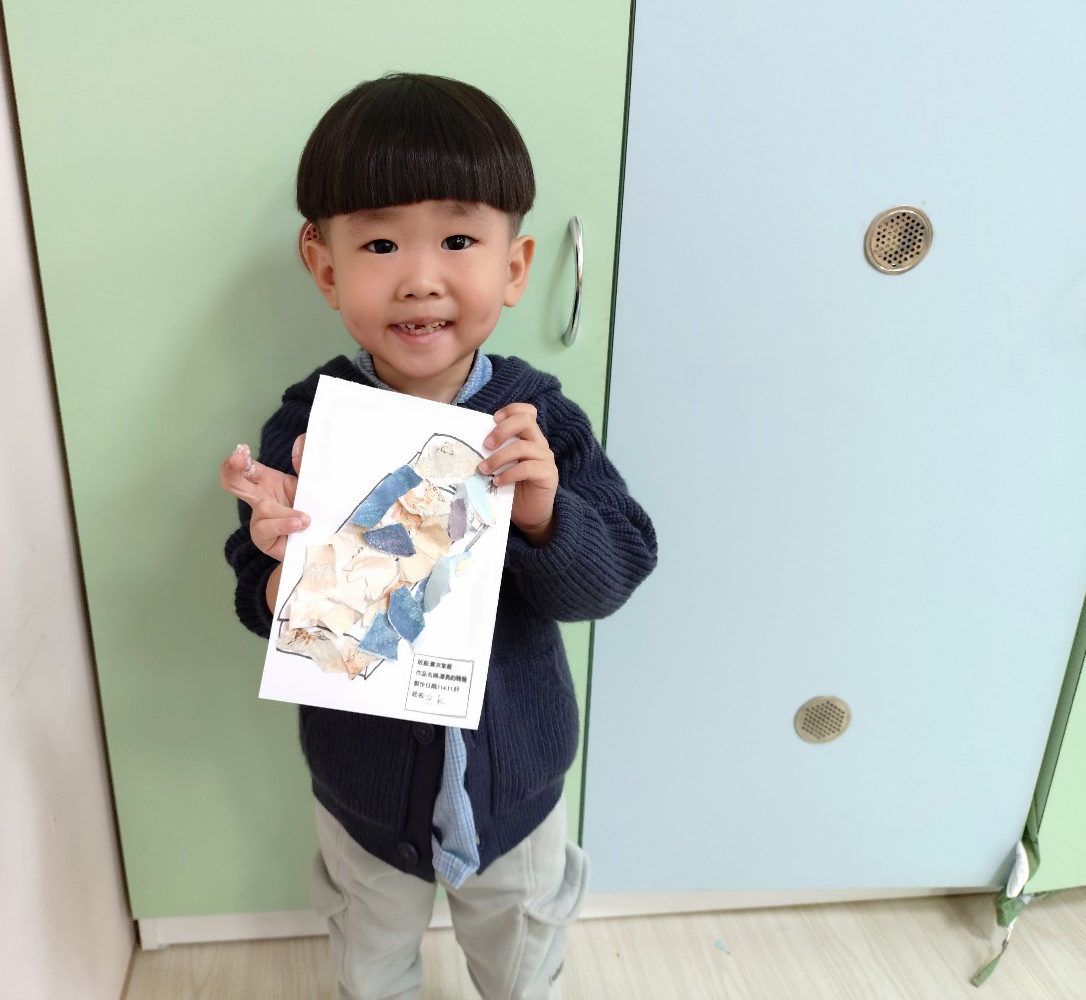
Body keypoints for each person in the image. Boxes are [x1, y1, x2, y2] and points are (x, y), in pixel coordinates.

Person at [222, 72, 657, 1000]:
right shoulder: (310, 425)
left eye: (458, 240)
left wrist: (543, 515)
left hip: (516, 792)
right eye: (380, 243)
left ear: (515, 265)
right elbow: (263, 610)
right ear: (325, 266)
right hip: (364, 796)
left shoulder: (536, 420)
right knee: (369, 958)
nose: (420, 277)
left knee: (523, 958)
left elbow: (613, 574)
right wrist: (280, 561)